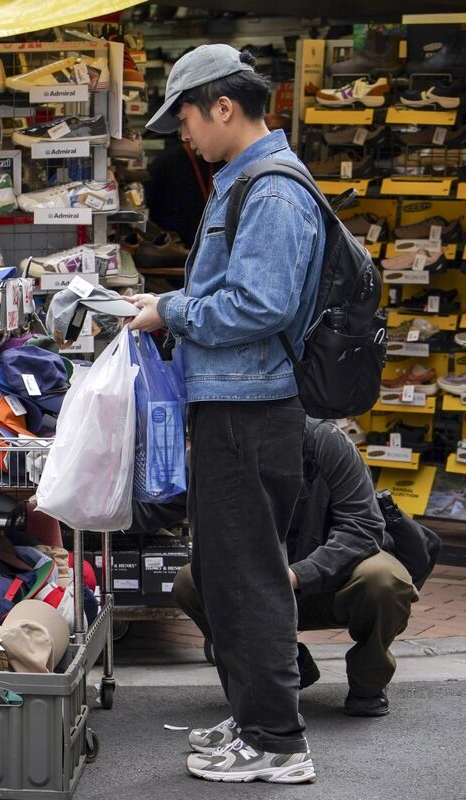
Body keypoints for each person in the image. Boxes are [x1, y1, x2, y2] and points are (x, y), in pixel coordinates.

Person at [129, 45, 324, 784]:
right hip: (233, 402)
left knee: (247, 577)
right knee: (224, 570)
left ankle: (277, 742)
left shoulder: (270, 191)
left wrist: (168, 309)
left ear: (222, 106)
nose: (184, 133)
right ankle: (255, 722)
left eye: (185, 115)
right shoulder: (246, 181)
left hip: (251, 408)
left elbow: (259, 304)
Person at [133, 418, 423, 720]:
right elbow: (160, 506)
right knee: (190, 580)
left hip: (337, 579)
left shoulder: (326, 441)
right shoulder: (219, 447)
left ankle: (368, 681)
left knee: (386, 579)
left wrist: (300, 574)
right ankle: (284, 664)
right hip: (260, 587)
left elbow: (363, 527)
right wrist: (99, 499)